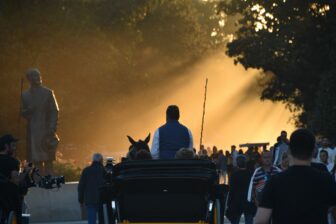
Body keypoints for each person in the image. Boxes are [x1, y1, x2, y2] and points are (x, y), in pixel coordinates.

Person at [255, 129, 336, 224]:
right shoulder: (326, 179)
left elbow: (261, 220)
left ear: (289, 151)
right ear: (313, 150)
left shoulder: (275, 181)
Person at [21, 68, 59, 175]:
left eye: (39, 76)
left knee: (48, 160)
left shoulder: (48, 93)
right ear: (29, 79)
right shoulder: (25, 95)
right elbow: (22, 112)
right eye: (35, 76)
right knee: (36, 160)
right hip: (33, 131)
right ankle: (39, 183)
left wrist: (52, 127)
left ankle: (50, 181)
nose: (38, 78)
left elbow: (54, 111)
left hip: (47, 130)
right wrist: (27, 110)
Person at [226, 156, 256, 224]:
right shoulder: (251, 174)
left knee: (235, 221)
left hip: (236, 202)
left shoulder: (234, 175)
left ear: (237, 164)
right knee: (249, 221)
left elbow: (232, 190)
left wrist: (229, 203)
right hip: (248, 202)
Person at [78, 153, 106, 224]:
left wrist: (80, 200)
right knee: (103, 218)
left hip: (89, 199)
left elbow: (81, 187)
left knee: (91, 219)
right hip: (101, 198)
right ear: (101, 160)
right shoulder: (103, 170)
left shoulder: (86, 171)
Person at [0, 134, 21, 224]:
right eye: (13, 145)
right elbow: (16, 181)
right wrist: (26, 172)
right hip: (9, 200)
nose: (15, 148)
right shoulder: (12, 162)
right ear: (6, 146)